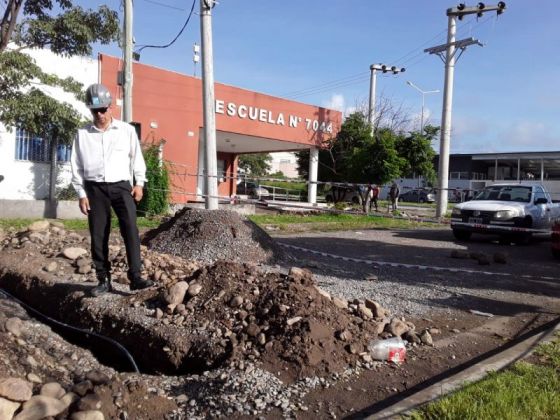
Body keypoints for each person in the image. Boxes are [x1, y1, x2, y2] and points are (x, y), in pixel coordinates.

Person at [71, 83, 154, 297]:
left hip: (121, 187)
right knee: (98, 234)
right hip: (94, 189)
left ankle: (135, 277)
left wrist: (139, 183)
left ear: (111, 107)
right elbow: (76, 165)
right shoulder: (82, 134)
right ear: (90, 110)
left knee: (131, 230)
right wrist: (81, 193)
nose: (100, 114)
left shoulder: (126, 131)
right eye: (95, 110)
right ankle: (103, 280)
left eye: (103, 109)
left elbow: (137, 159)